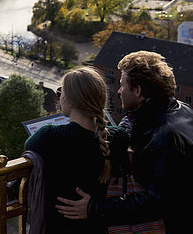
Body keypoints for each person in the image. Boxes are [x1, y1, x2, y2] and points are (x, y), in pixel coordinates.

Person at [56, 51, 193, 233]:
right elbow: (136, 119)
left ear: (137, 90)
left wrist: (95, 208)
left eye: (122, 85)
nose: (119, 91)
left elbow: (156, 202)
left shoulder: (165, 136)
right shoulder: (180, 108)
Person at [24, 66, 127, 234]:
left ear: (71, 100)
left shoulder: (48, 136)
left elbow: (28, 147)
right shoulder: (117, 138)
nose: (59, 97)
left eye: (61, 92)